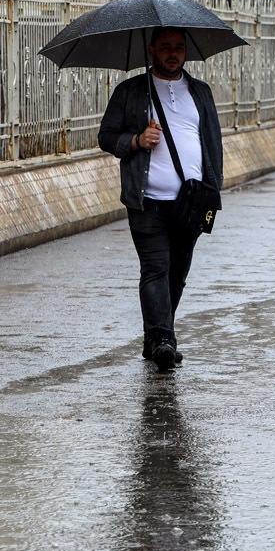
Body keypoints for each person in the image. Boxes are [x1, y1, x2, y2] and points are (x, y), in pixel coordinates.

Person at [98, 27, 223, 372]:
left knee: (177, 274)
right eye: (166, 47)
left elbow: (213, 143)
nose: (173, 53)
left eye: (179, 48)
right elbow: (106, 136)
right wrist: (137, 140)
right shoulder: (132, 92)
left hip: (191, 200)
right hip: (147, 200)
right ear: (151, 50)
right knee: (156, 269)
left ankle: (155, 337)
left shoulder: (200, 92)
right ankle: (165, 340)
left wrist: (214, 190)